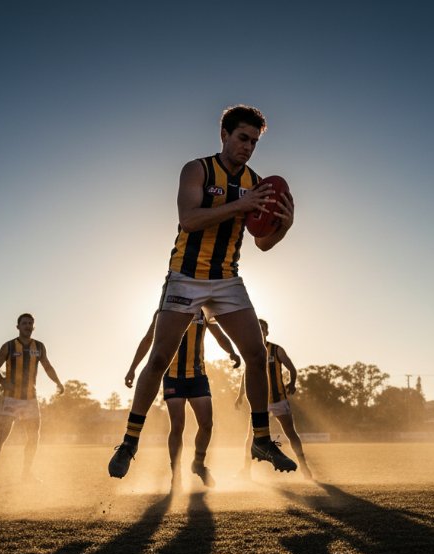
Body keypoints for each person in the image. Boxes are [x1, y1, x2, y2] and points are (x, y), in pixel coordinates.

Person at [109, 104, 297, 479]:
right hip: (185, 275)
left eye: (254, 142)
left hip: (227, 278)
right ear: (224, 135)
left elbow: (261, 243)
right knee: (161, 356)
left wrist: (284, 227)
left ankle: (261, 439)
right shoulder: (197, 169)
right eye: (242, 138)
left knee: (257, 355)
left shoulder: (256, 182)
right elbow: (189, 219)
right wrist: (239, 205)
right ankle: (129, 442)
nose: (248, 147)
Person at [126, 310, 241, 492]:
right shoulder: (165, 311)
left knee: (207, 424)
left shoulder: (204, 311)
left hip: (197, 375)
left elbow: (219, 335)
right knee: (178, 426)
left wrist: (232, 352)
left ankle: (198, 463)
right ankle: (176, 474)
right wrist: (133, 368)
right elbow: (148, 339)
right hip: (173, 376)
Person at [0, 313, 65, 486]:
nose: (27, 326)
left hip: (31, 399)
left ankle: (26, 473)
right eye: (24, 323)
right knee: (2, 435)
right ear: (17, 326)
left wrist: (58, 382)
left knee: (33, 437)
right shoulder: (8, 346)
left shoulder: (39, 347)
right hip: (11, 399)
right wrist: (4, 383)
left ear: (33, 327)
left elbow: (47, 366)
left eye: (30, 323)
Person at [235, 319, 312, 479]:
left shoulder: (276, 350)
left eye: (262, 329)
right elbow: (246, 375)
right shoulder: (250, 350)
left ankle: (304, 466)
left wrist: (292, 382)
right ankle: (246, 470)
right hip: (259, 403)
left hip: (278, 400)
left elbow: (291, 368)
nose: (260, 331)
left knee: (291, 432)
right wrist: (240, 395)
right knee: (251, 436)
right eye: (257, 329)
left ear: (267, 332)